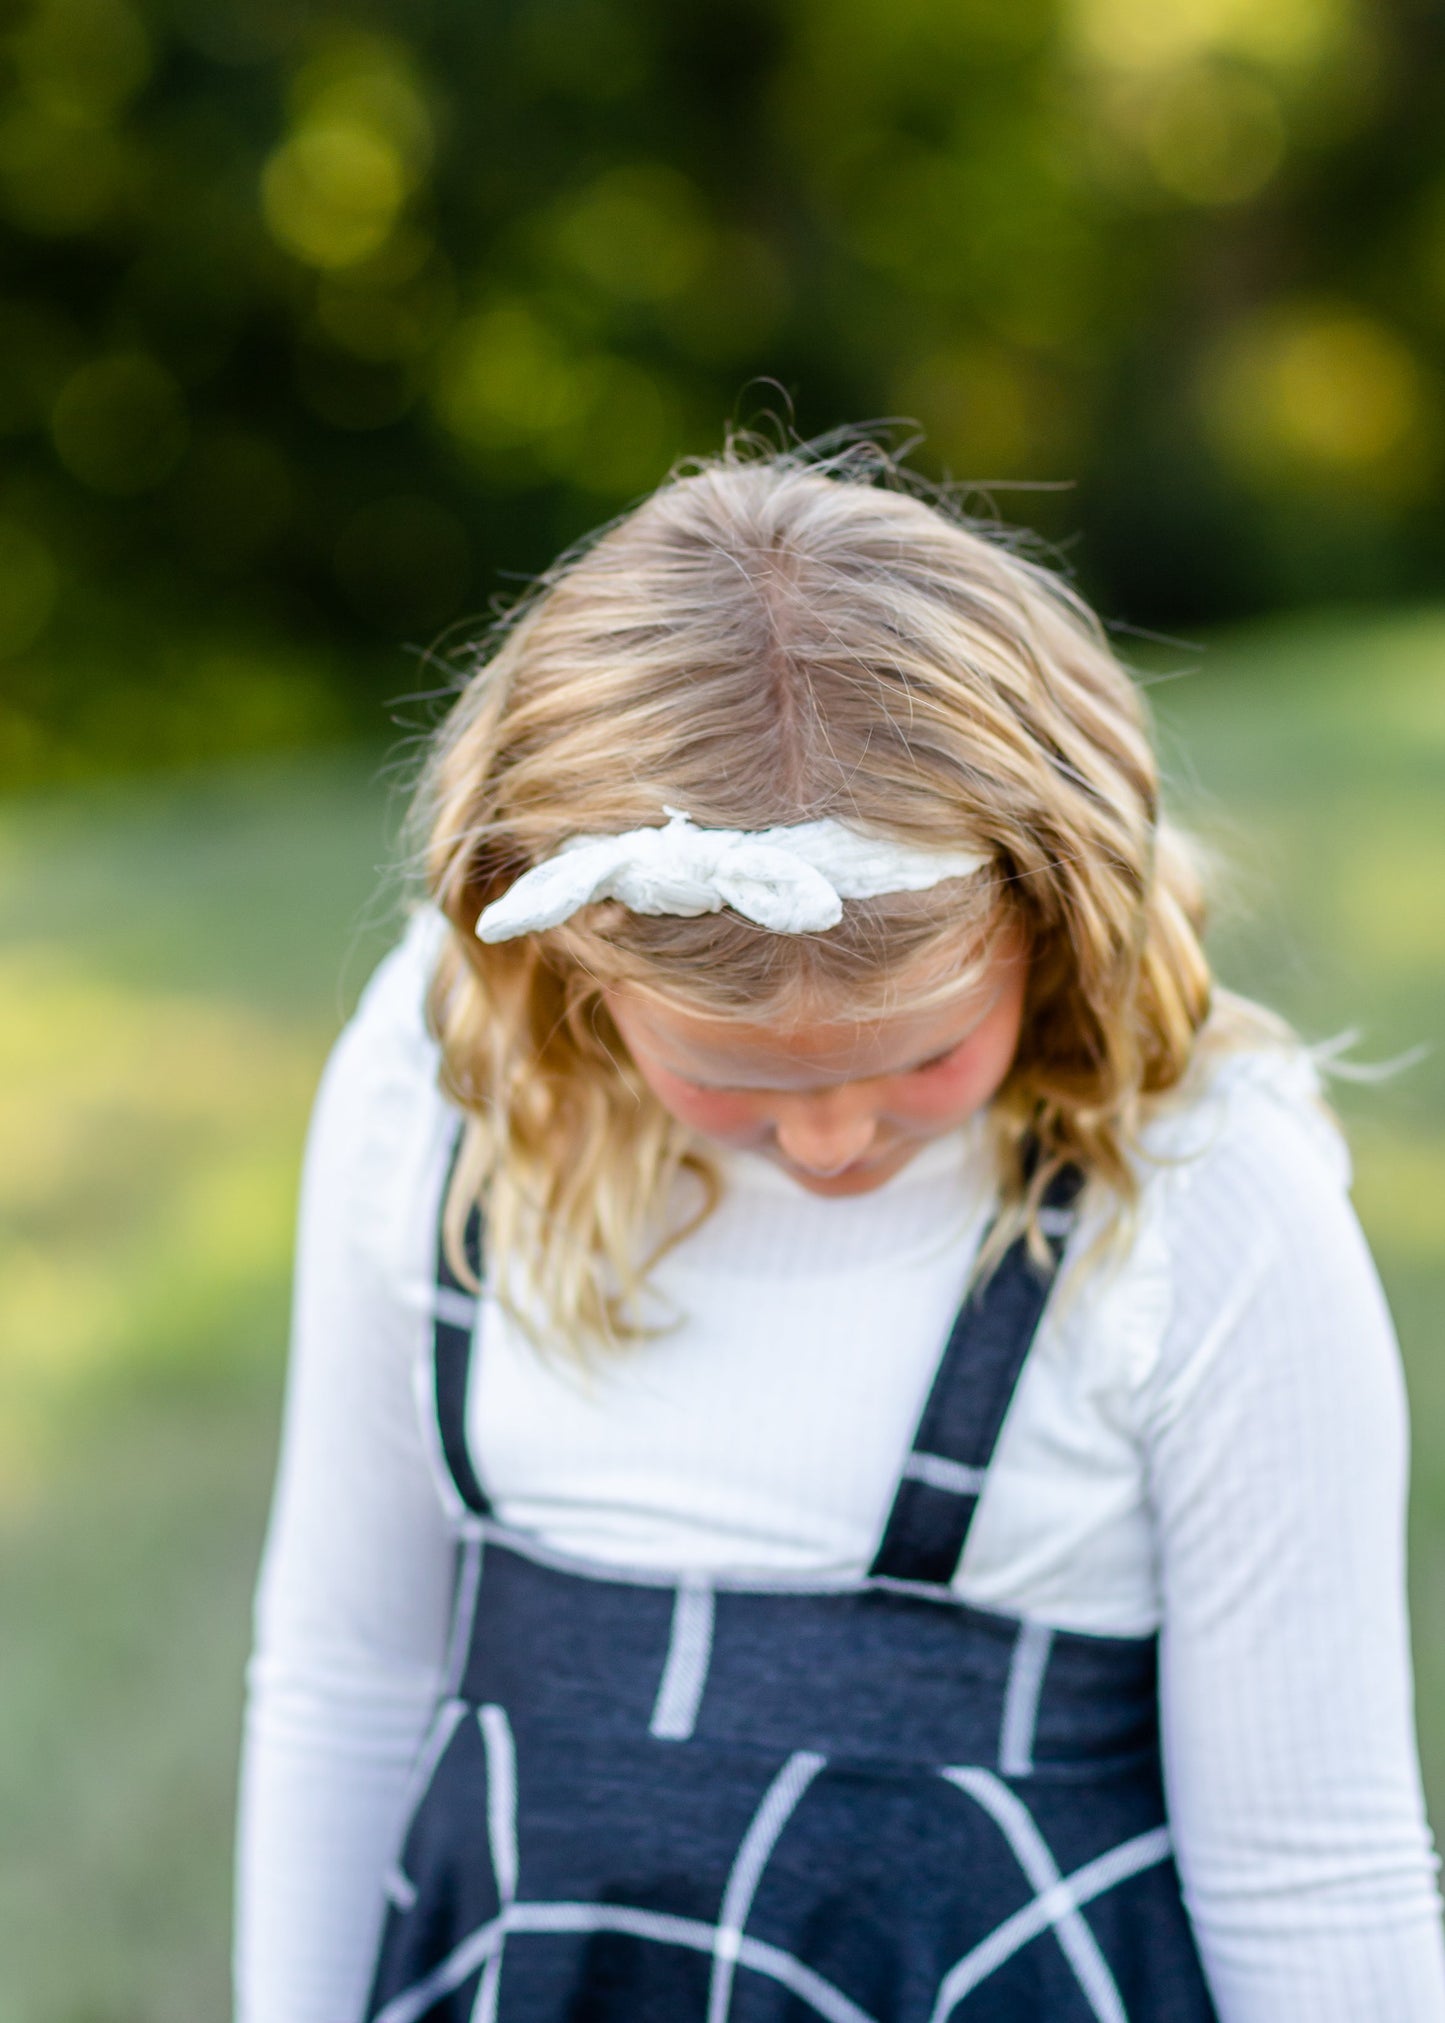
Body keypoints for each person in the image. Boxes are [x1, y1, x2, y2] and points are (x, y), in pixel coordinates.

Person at [235, 439, 1445, 2022]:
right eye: (727, 1075)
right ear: (567, 978)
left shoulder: (1205, 1196)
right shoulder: (438, 1092)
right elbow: (347, 1675)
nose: (826, 1137)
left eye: (918, 1059)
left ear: (1052, 915)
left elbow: (1313, 1864)